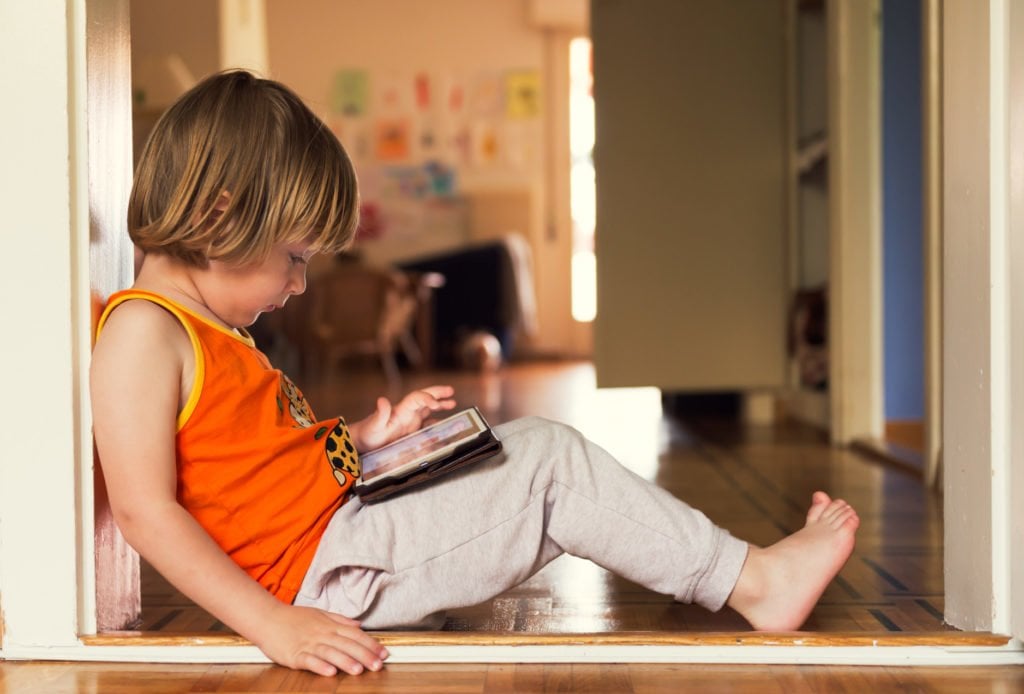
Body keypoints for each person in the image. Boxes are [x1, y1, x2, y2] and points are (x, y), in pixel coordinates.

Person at [90, 70, 860, 678]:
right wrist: (272, 625)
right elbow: (145, 512)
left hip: (336, 535)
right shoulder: (143, 334)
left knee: (516, 448)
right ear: (223, 220)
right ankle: (752, 582)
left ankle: (739, 573)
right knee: (550, 466)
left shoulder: (204, 330)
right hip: (322, 573)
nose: (297, 287)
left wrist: (366, 440)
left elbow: (252, 469)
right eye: (294, 259)